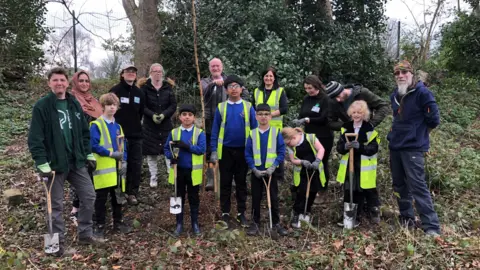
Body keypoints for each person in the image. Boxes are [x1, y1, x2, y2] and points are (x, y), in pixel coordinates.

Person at [28, 67, 101, 257]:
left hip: (75, 161)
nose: (59, 83)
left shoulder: (74, 104)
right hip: (54, 165)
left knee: (89, 196)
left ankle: (85, 234)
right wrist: (42, 162)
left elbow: (84, 133)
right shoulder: (42, 106)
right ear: (49, 83)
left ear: (68, 83)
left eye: (62, 80)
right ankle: (56, 247)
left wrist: (88, 154)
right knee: (55, 205)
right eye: (55, 80)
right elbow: (35, 138)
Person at [387, 60, 441, 236]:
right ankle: (407, 220)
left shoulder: (422, 93)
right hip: (395, 146)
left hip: (413, 148)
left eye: (404, 73)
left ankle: (431, 227)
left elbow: (434, 119)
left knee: (418, 186)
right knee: (399, 185)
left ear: (411, 74)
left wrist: (419, 134)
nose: (401, 76)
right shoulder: (395, 94)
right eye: (397, 73)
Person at [210, 75, 257, 228]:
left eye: (237, 86)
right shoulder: (221, 107)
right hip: (226, 151)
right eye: (230, 86)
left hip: (243, 150)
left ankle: (241, 213)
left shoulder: (248, 107)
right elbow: (215, 130)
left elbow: (255, 130)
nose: (234, 89)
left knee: (241, 183)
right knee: (225, 183)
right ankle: (225, 213)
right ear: (226, 90)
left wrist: (255, 150)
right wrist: (214, 151)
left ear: (241, 89)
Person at [201, 58, 249, 191]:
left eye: (217, 66)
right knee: (211, 149)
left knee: (229, 151)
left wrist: (237, 105)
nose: (215, 68)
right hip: (210, 121)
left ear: (222, 67)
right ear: (209, 68)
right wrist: (213, 84)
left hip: (227, 121)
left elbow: (244, 93)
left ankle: (231, 179)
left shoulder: (230, 81)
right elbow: (203, 92)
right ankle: (211, 178)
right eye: (213, 66)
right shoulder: (205, 81)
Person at [90, 93, 132, 239]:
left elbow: (123, 146)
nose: (112, 107)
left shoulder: (118, 126)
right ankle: (100, 226)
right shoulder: (96, 125)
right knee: (101, 199)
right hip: (103, 170)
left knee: (118, 197)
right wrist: (110, 154)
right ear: (103, 107)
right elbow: (93, 145)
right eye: (109, 105)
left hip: (118, 168)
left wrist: (124, 161)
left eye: (114, 104)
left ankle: (118, 223)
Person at [335, 100, 380, 227]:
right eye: (354, 112)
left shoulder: (369, 128)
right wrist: (345, 146)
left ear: (364, 113)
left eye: (359, 112)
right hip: (349, 165)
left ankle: (360, 215)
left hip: (363, 167)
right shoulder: (346, 127)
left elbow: (373, 148)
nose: (356, 115)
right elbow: (339, 147)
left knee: (362, 191)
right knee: (349, 190)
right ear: (350, 113)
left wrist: (359, 146)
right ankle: (348, 216)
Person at [245, 104, 288, 236]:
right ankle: (255, 223)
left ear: (270, 116)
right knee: (256, 198)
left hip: (271, 172)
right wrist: (253, 168)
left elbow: (281, 151)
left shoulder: (275, 133)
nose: (263, 117)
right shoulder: (252, 133)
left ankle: (276, 223)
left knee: (273, 198)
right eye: (260, 114)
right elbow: (248, 153)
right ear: (256, 116)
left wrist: (273, 166)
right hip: (257, 172)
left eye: (266, 114)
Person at [164, 104, 206, 237]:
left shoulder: (199, 133)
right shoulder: (174, 132)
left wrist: (187, 146)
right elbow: (166, 149)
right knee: (178, 197)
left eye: (190, 115)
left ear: (194, 117)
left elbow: (201, 150)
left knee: (194, 198)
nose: (187, 117)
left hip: (193, 172)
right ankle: (179, 224)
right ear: (180, 117)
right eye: (184, 114)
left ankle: (195, 224)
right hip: (178, 171)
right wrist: (171, 156)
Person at [69, 70, 103, 223]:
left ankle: (89, 208)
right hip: (77, 145)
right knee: (79, 177)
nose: (84, 84)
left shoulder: (94, 101)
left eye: (86, 81)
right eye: (81, 81)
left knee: (90, 177)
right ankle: (75, 210)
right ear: (75, 82)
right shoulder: (71, 100)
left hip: (93, 144)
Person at [110, 64, 145, 205]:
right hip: (119, 136)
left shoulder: (139, 93)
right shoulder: (115, 91)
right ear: (122, 74)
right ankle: (118, 192)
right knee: (120, 165)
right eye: (128, 71)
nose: (131, 73)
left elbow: (141, 113)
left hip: (136, 135)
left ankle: (132, 193)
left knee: (135, 165)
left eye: (133, 72)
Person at [292, 75, 332, 200]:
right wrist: (299, 121)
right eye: (306, 88)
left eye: (310, 88)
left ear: (316, 86)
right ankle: (309, 187)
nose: (308, 91)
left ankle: (322, 188)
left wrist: (308, 120)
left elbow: (324, 118)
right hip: (309, 136)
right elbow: (302, 114)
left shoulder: (325, 99)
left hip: (323, 135)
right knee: (309, 160)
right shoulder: (306, 99)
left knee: (321, 161)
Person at [140, 63, 177, 188]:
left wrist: (164, 115)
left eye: (159, 71)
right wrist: (152, 115)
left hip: (165, 124)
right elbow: (142, 106)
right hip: (150, 125)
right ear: (150, 73)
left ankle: (170, 175)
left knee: (168, 150)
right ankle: (153, 177)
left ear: (162, 73)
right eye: (155, 71)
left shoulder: (168, 87)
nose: (157, 73)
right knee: (151, 153)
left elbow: (173, 105)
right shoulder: (144, 88)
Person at [281, 127, 326, 229]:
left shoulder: (310, 138)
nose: (288, 145)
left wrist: (317, 161)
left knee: (313, 191)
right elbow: (292, 160)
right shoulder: (291, 146)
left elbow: (321, 149)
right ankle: (297, 212)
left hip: (315, 170)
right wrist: (301, 162)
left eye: (288, 143)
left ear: (293, 137)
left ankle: (307, 211)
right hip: (302, 172)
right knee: (302, 192)